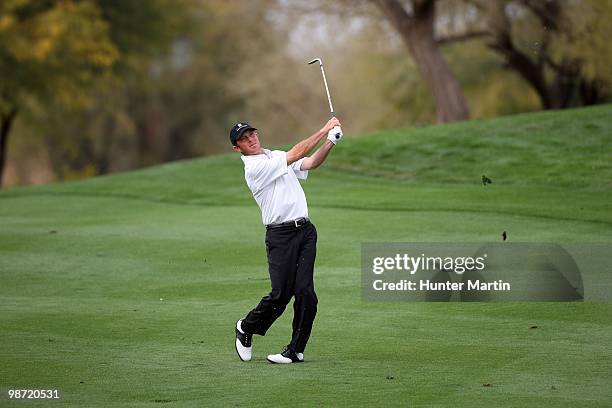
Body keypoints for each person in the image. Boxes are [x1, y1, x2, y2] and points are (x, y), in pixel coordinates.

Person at [231, 117, 342, 364]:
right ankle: (246, 327)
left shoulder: (275, 156)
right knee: (280, 295)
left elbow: (310, 162)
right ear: (237, 148)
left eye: (252, 134)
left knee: (306, 294)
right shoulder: (254, 168)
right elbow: (295, 154)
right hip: (280, 236)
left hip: (305, 231)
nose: (251, 139)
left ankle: (295, 350)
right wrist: (323, 128)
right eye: (244, 139)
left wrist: (330, 142)